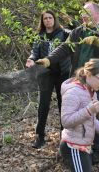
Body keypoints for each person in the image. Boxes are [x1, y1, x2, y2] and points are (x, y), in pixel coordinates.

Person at [37, 2, 99, 164]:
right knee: (76, 114)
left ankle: (96, 150)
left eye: (86, 14)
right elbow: (65, 48)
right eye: (82, 15)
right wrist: (49, 60)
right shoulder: (78, 32)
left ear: (96, 14)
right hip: (79, 84)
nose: (83, 17)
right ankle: (72, 148)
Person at [25, 10, 71, 149]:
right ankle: (40, 137)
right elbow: (35, 52)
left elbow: (77, 33)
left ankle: (65, 137)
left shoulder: (64, 33)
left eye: (50, 18)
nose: (47, 20)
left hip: (62, 74)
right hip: (45, 74)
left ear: (54, 19)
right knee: (43, 105)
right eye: (45, 18)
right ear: (42, 21)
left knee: (63, 105)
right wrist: (31, 59)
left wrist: (69, 19)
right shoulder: (39, 36)